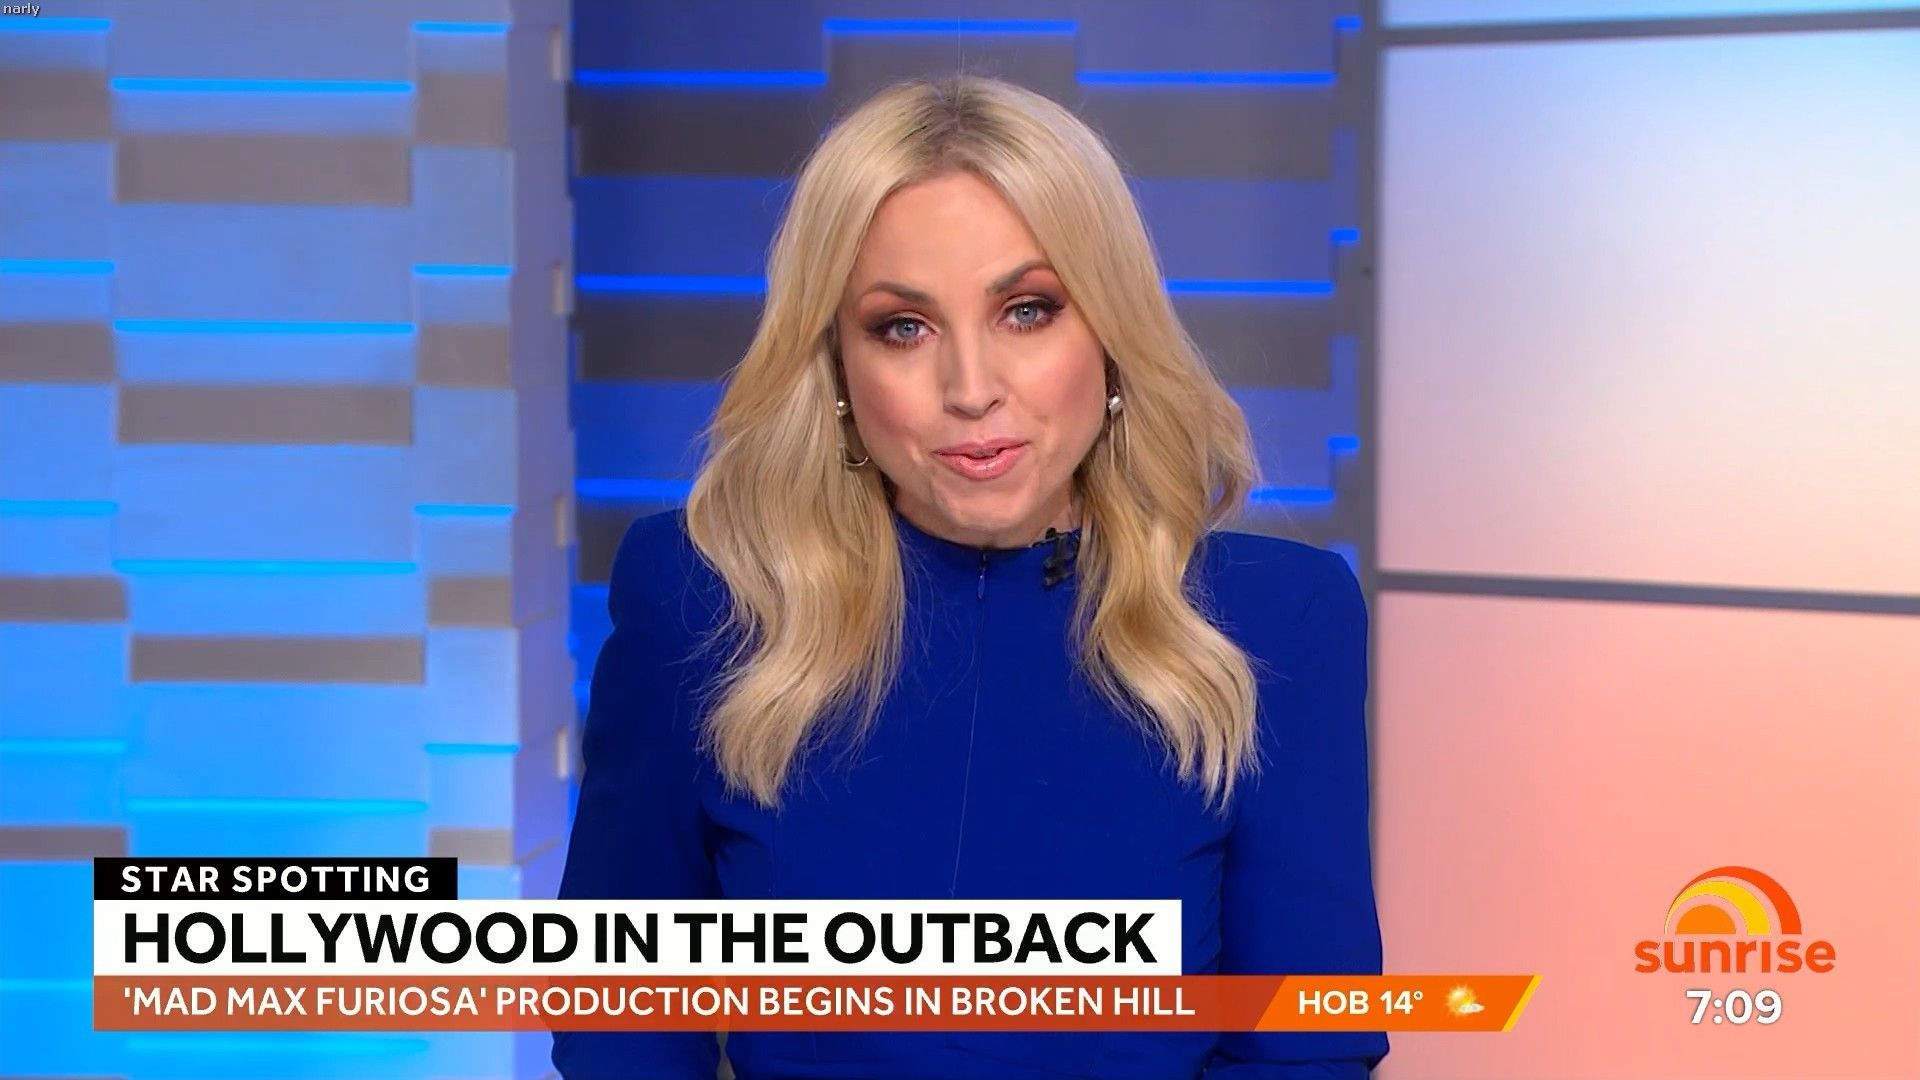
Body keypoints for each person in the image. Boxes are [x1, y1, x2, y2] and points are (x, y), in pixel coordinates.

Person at [554, 74, 1387, 1080]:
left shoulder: (1279, 621)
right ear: (837, 366)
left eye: (1027, 312)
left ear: (1111, 331)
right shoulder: (701, 600)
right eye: (903, 328)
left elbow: (1308, 1047)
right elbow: (620, 1018)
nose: (971, 389)